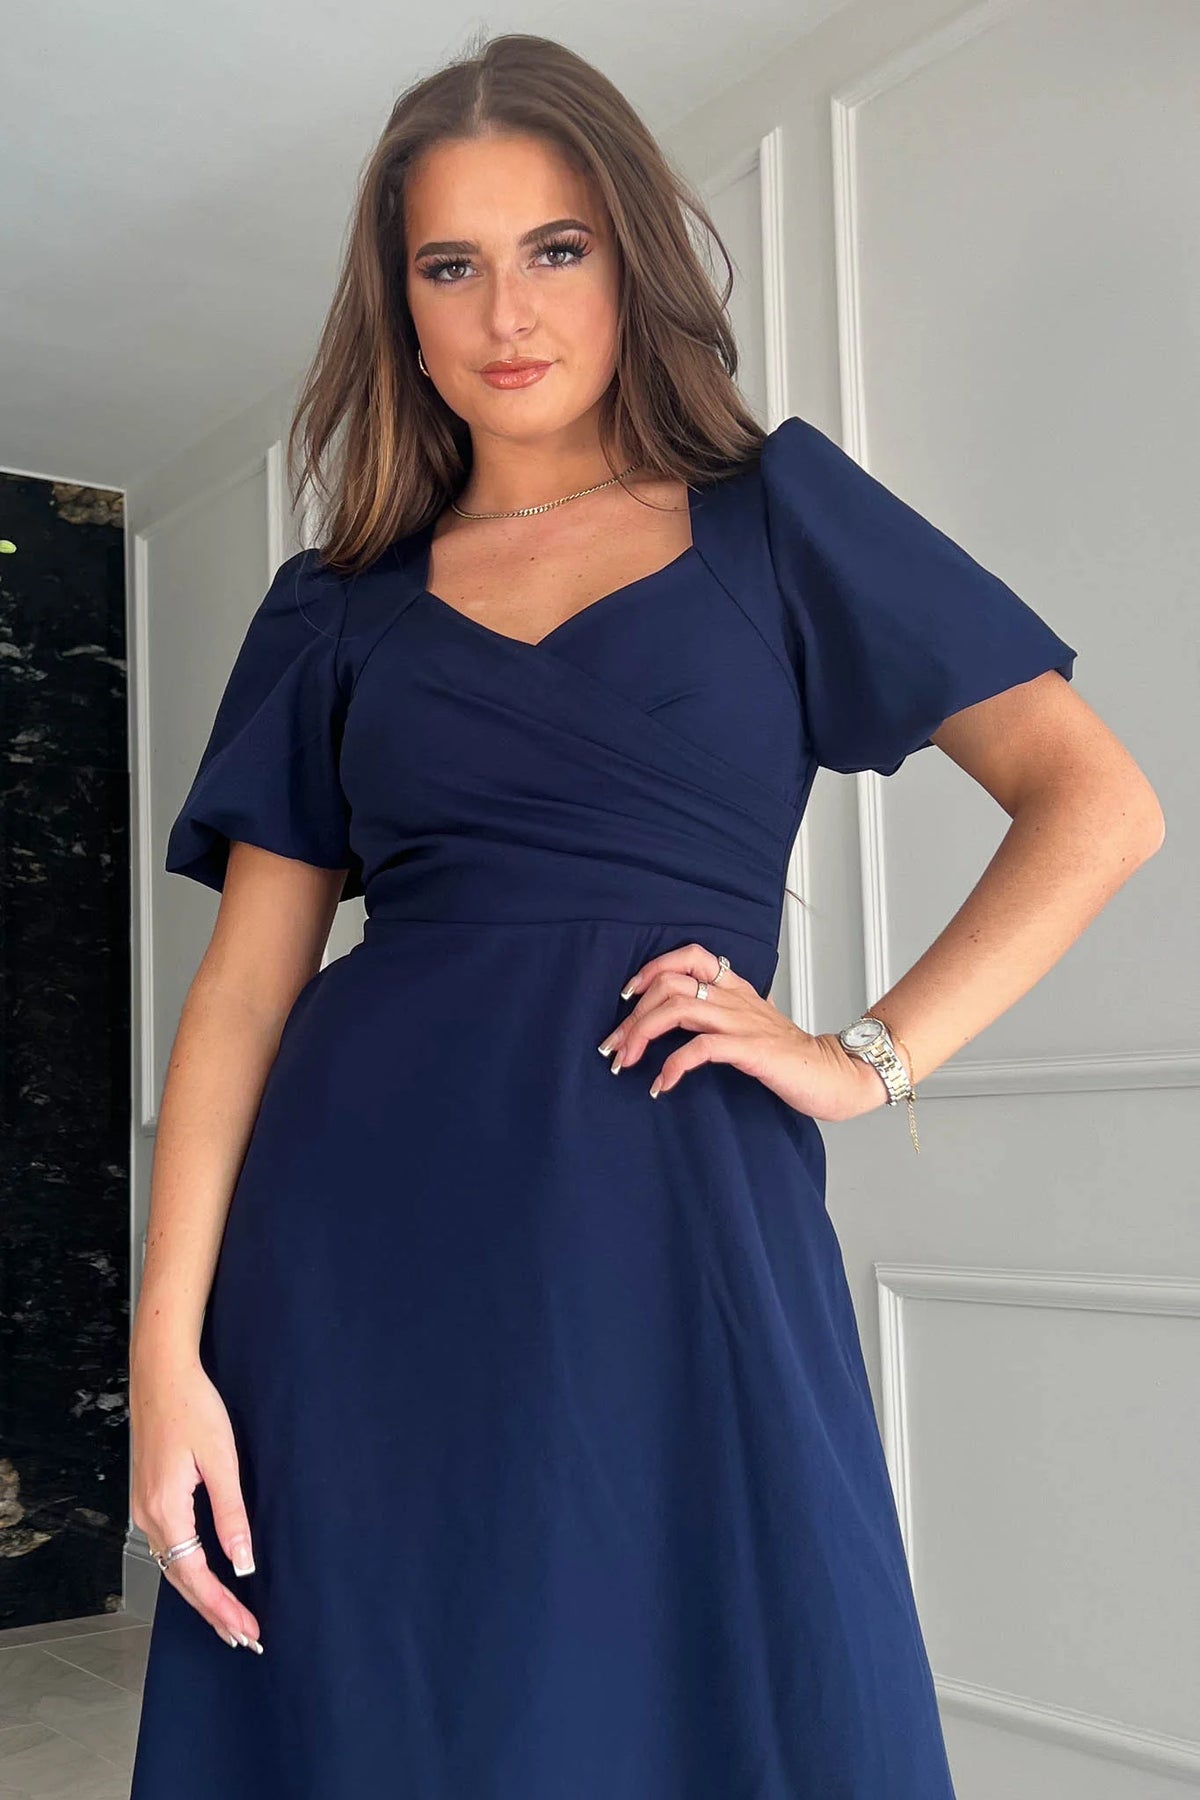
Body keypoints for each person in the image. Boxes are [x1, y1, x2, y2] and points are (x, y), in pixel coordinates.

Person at [127, 31, 1164, 1800]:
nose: (506, 312)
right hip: (355, 1251)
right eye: (449, 265)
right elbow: (240, 993)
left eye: (557, 247)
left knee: (737, 1688)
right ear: (399, 307)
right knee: (393, 1707)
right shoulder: (336, 608)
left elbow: (1100, 804)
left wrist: (864, 1058)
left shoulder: (779, 518)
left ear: (633, 260)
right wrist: (166, 1352)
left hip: (680, 1221)